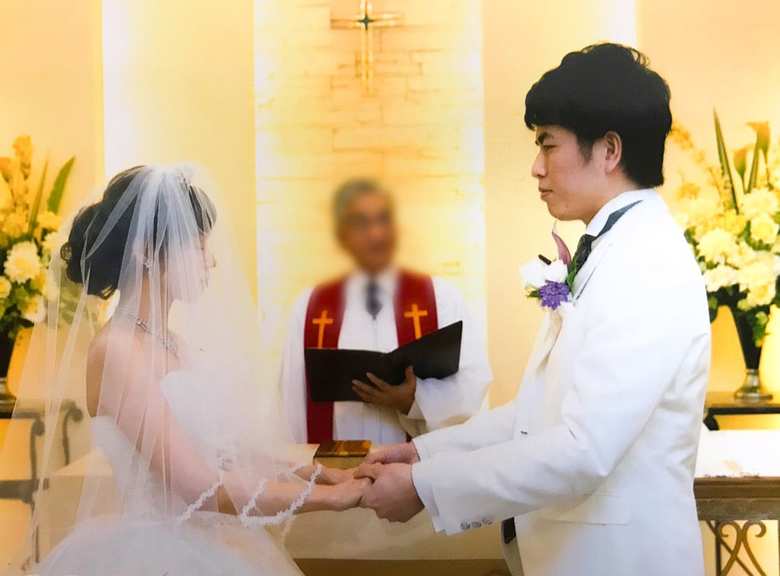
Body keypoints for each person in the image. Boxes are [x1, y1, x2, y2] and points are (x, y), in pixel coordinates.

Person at [356, 43, 711, 576]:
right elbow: (535, 415)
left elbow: (584, 448)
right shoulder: (611, 249)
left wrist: (424, 488)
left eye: (548, 144)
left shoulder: (647, 262)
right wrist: (425, 455)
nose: (535, 167)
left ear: (609, 150)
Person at [1, 165, 369, 575]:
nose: (211, 260)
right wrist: (333, 499)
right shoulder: (117, 350)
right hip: (156, 555)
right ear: (145, 252)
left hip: (206, 543)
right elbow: (199, 487)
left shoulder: (173, 343)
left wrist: (321, 475)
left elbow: (229, 451)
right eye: (197, 246)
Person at [279, 178, 491, 444]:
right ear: (342, 234)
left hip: (416, 466)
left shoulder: (440, 297)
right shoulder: (311, 306)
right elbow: (291, 399)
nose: (376, 234)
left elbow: (473, 381)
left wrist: (415, 400)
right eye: (361, 223)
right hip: (337, 463)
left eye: (383, 219)